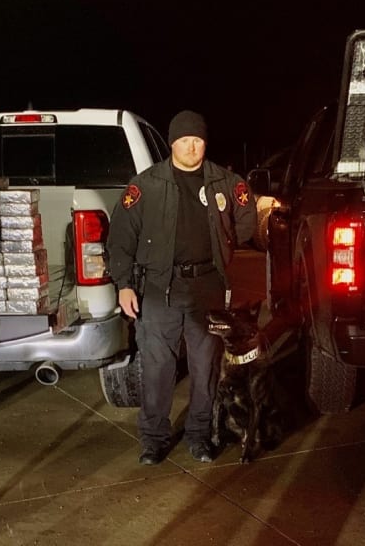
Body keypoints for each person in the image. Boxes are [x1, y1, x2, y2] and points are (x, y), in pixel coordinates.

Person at [107, 110, 257, 465]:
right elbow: (121, 238)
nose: (192, 147)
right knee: (157, 368)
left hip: (208, 285)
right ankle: (153, 439)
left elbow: (247, 220)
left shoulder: (224, 181)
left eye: (198, 140)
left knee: (205, 368)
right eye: (184, 140)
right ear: (172, 143)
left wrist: (223, 243)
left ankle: (199, 436)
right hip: (160, 287)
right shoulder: (147, 185)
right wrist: (124, 285)